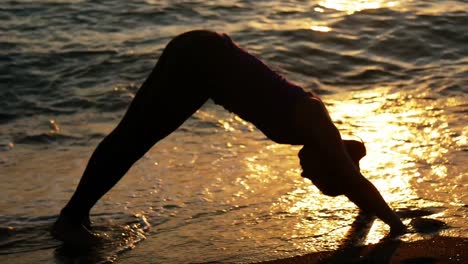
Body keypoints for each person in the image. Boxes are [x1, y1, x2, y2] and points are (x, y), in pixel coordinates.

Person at [52, 30, 406, 244]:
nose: (303, 174)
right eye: (313, 176)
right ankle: (71, 219)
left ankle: (76, 216)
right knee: (132, 139)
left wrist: (367, 212)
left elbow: (347, 177)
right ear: (330, 157)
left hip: (204, 72)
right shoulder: (315, 121)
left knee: (135, 140)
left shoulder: (313, 135)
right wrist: (397, 226)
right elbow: (349, 178)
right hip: (199, 59)